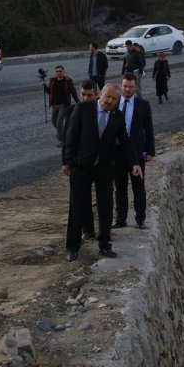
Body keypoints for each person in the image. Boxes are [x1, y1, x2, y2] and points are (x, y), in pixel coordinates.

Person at [62, 84, 142, 262]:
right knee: (78, 206)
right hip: (81, 166)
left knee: (106, 207)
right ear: (100, 95)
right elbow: (70, 137)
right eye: (108, 97)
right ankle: (73, 247)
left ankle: (104, 244)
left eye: (114, 99)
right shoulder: (83, 109)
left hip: (104, 167)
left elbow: (125, 141)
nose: (110, 101)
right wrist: (67, 162)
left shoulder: (117, 116)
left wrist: (134, 163)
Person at [113, 72, 155, 230]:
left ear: (136, 87)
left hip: (137, 152)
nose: (128, 89)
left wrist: (150, 151)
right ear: (120, 86)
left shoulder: (143, 105)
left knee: (138, 187)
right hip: (117, 153)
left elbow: (148, 129)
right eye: (125, 86)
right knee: (120, 187)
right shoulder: (114, 103)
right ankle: (120, 219)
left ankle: (140, 219)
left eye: (131, 87)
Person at [63, 80, 99, 242]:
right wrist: (66, 162)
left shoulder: (103, 110)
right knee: (78, 200)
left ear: (97, 95)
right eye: (83, 95)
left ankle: (99, 233)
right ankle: (79, 237)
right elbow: (67, 139)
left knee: (101, 199)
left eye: (89, 95)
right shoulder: (73, 110)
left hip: (99, 163)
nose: (85, 98)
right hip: (79, 162)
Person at [41, 65, 79, 147]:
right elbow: (49, 92)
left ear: (63, 72)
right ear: (55, 73)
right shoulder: (52, 81)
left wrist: (78, 103)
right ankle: (64, 132)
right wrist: (44, 86)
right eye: (57, 71)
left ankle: (61, 141)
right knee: (54, 121)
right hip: (54, 105)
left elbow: (73, 92)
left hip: (64, 105)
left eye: (60, 71)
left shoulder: (68, 81)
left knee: (59, 122)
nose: (59, 73)